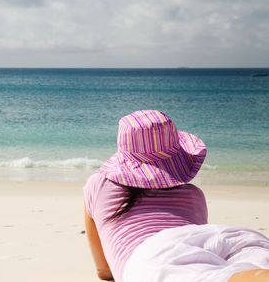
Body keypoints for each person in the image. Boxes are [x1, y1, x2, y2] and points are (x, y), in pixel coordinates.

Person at [83, 110, 269, 282]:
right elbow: (195, 244)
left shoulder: (98, 185)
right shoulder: (194, 194)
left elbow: (104, 271)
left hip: (155, 254)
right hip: (234, 237)